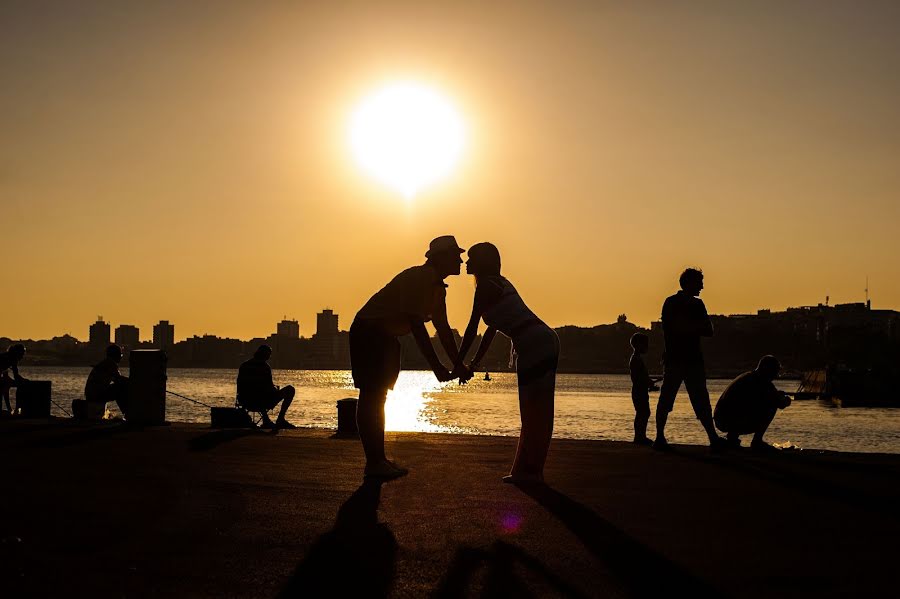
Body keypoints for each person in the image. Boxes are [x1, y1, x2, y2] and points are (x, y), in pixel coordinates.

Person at [350, 235, 465, 479]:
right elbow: (417, 326)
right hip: (370, 331)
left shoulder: (437, 288)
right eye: (456, 255)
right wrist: (437, 367)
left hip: (387, 336)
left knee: (378, 396)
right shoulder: (419, 278)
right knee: (373, 395)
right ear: (442, 258)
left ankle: (378, 461)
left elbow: (443, 330)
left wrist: (458, 364)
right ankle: (374, 463)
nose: (461, 260)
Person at [454, 242, 560, 484]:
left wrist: (458, 363)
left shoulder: (485, 287)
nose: (467, 263)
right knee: (539, 410)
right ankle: (528, 471)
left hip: (533, 342)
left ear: (482, 262)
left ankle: (530, 472)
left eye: (471, 258)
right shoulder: (501, 283)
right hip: (544, 339)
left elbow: (472, 328)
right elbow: (490, 331)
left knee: (532, 410)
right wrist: (473, 364)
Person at [654, 268, 727, 451]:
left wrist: (686, 327)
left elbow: (706, 330)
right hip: (680, 358)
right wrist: (694, 327)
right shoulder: (679, 303)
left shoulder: (688, 304)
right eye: (699, 282)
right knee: (672, 398)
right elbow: (701, 329)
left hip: (687, 358)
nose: (702, 286)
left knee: (697, 398)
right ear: (689, 283)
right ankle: (661, 436)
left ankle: (711, 437)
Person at [714, 355, 792, 451]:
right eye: (775, 372)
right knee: (771, 405)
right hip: (732, 420)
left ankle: (732, 437)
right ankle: (757, 441)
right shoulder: (763, 382)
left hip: (720, 419)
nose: (775, 376)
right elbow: (780, 403)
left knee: (748, 406)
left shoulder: (746, 377)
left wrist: (775, 395)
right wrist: (786, 400)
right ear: (768, 370)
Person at [237, 344, 296, 429]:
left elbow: (240, 385)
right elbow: (268, 387)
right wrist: (275, 390)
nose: (269, 357)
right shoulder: (265, 367)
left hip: (244, 400)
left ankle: (266, 420)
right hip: (260, 400)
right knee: (290, 389)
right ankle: (280, 419)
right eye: (269, 355)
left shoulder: (244, 365)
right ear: (266, 355)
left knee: (259, 393)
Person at [629, 333, 659, 445]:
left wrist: (649, 384)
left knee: (643, 412)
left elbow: (643, 377)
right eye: (645, 344)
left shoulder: (635, 358)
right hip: (639, 391)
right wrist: (650, 384)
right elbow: (640, 377)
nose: (647, 347)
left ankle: (640, 436)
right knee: (643, 412)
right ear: (638, 345)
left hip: (639, 390)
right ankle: (639, 437)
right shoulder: (636, 359)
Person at [84, 344, 130, 417]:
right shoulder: (110, 364)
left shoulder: (105, 363)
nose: (121, 358)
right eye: (121, 355)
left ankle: (128, 412)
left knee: (121, 386)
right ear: (115, 355)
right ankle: (128, 413)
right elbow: (119, 380)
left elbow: (118, 379)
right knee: (121, 388)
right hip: (96, 396)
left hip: (92, 395)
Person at [1, 344, 28, 415]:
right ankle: (15, 410)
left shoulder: (7, 355)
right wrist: (24, 381)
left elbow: (5, 375)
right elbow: (16, 376)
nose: (22, 357)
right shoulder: (13, 359)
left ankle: (10, 409)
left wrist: (22, 380)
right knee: (20, 385)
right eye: (22, 354)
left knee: (6, 385)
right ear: (18, 353)